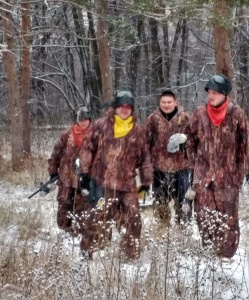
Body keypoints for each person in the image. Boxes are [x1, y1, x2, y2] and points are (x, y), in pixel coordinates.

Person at [186, 74, 249, 262]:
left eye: (216, 92)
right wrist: (191, 161)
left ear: (225, 94)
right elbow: (189, 139)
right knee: (203, 213)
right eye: (209, 92)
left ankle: (226, 255)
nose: (211, 96)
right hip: (203, 174)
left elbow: (248, 142)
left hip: (229, 174)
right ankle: (209, 250)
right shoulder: (199, 113)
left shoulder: (237, 114)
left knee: (228, 215)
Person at [79, 90, 153, 260]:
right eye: (121, 106)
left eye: (128, 107)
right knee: (95, 219)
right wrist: (84, 174)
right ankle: (87, 253)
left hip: (127, 184)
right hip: (101, 183)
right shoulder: (100, 125)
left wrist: (146, 182)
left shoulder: (138, 130)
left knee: (133, 220)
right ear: (115, 107)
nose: (125, 110)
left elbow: (145, 157)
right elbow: (87, 149)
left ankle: (130, 256)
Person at [145, 90, 193, 225]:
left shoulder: (185, 118)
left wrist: (185, 142)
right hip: (159, 169)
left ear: (175, 102)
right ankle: (162, 232)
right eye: (163, 102)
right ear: (159, 103)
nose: (166, 105)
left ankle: (184, 233)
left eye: (169, 102)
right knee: (160, 206)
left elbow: (195, 141)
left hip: (181, 168)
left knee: (184, 206)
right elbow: (145, 143)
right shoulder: (152, 119)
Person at [47, 106, 95, 239]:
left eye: (86, 119)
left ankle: (81, 237)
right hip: (66, 179)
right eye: (81, 119)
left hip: (85, 181)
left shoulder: (96, 134)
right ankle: (65, 236)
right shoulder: (67, 134)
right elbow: (56, 153)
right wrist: (53, 171)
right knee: (64, 209)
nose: (84, 121)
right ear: (77, 119)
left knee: (83, 212)